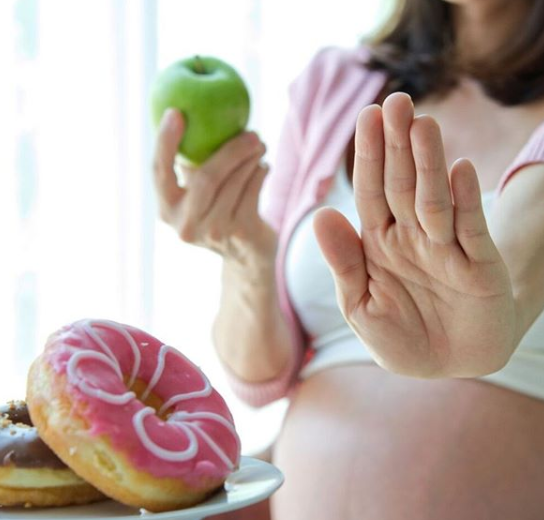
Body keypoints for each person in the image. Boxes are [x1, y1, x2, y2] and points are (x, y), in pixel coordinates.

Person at [152, 0, 544, 518]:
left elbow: (522, 262)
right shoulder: (334, 83)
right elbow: (261, 374)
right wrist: (245, 252)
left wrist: (495, 325)